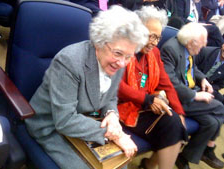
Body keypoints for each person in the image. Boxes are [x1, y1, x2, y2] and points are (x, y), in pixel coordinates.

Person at [25, 5, 149, 169]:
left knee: (118, 163)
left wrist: (111, 114)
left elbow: (110, 97)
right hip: (51, 126)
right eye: (118, 53)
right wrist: (115, 135)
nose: (122, 63)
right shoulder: (68, 62)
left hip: (84, 121)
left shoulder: (119, 61)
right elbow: (64, 120)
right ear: (98, 43)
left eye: (129, 57)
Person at [118, 6, 187, 169]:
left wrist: (180, 112)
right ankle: (148, 165)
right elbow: (116, 86)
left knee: (175, 123)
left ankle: (150, 165)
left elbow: (166, 84)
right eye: (151, 36)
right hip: (119, 107)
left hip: (144, 106)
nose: (154, 43)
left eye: (158, 38)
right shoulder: (122, 48)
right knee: (172, 125)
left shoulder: (154, 53)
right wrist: (148, 99)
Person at [160, 22, 224, 169]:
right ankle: (208, 149)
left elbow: (192, 68)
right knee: (220, 107)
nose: (203, 48)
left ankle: (184, 157)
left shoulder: (189, 48)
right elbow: (169, 82)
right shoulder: (171, 48)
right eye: (201, 45)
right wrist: (195, 96)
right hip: (177, 98)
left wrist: (203, 79)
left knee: (212, 123)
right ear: (191, 42)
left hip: (191, 89)